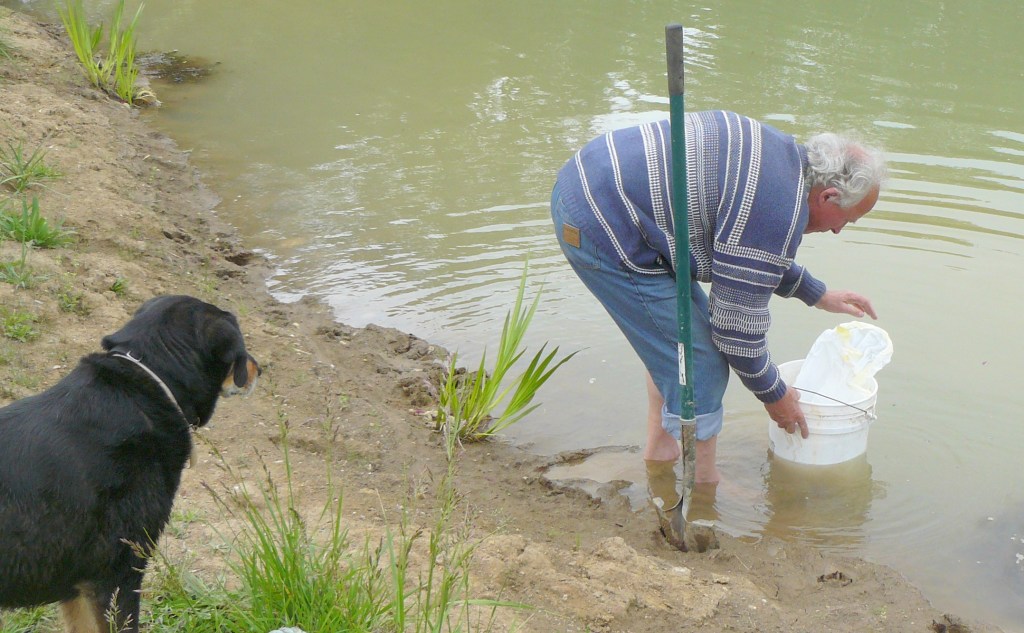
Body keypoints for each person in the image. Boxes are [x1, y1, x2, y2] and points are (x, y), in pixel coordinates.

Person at [550, 110, 886, 486]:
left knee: (676, 344)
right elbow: (735, 333)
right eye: (846, 220)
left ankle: (660, 453)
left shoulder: (785, 163)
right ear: (828, 196)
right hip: (601, 223)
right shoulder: (778, 209)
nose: (839, 231)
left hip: (593, 185)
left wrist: (817, 294)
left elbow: (747, 255)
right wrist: (775, 395)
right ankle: (704, 484)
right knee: (701, 361)